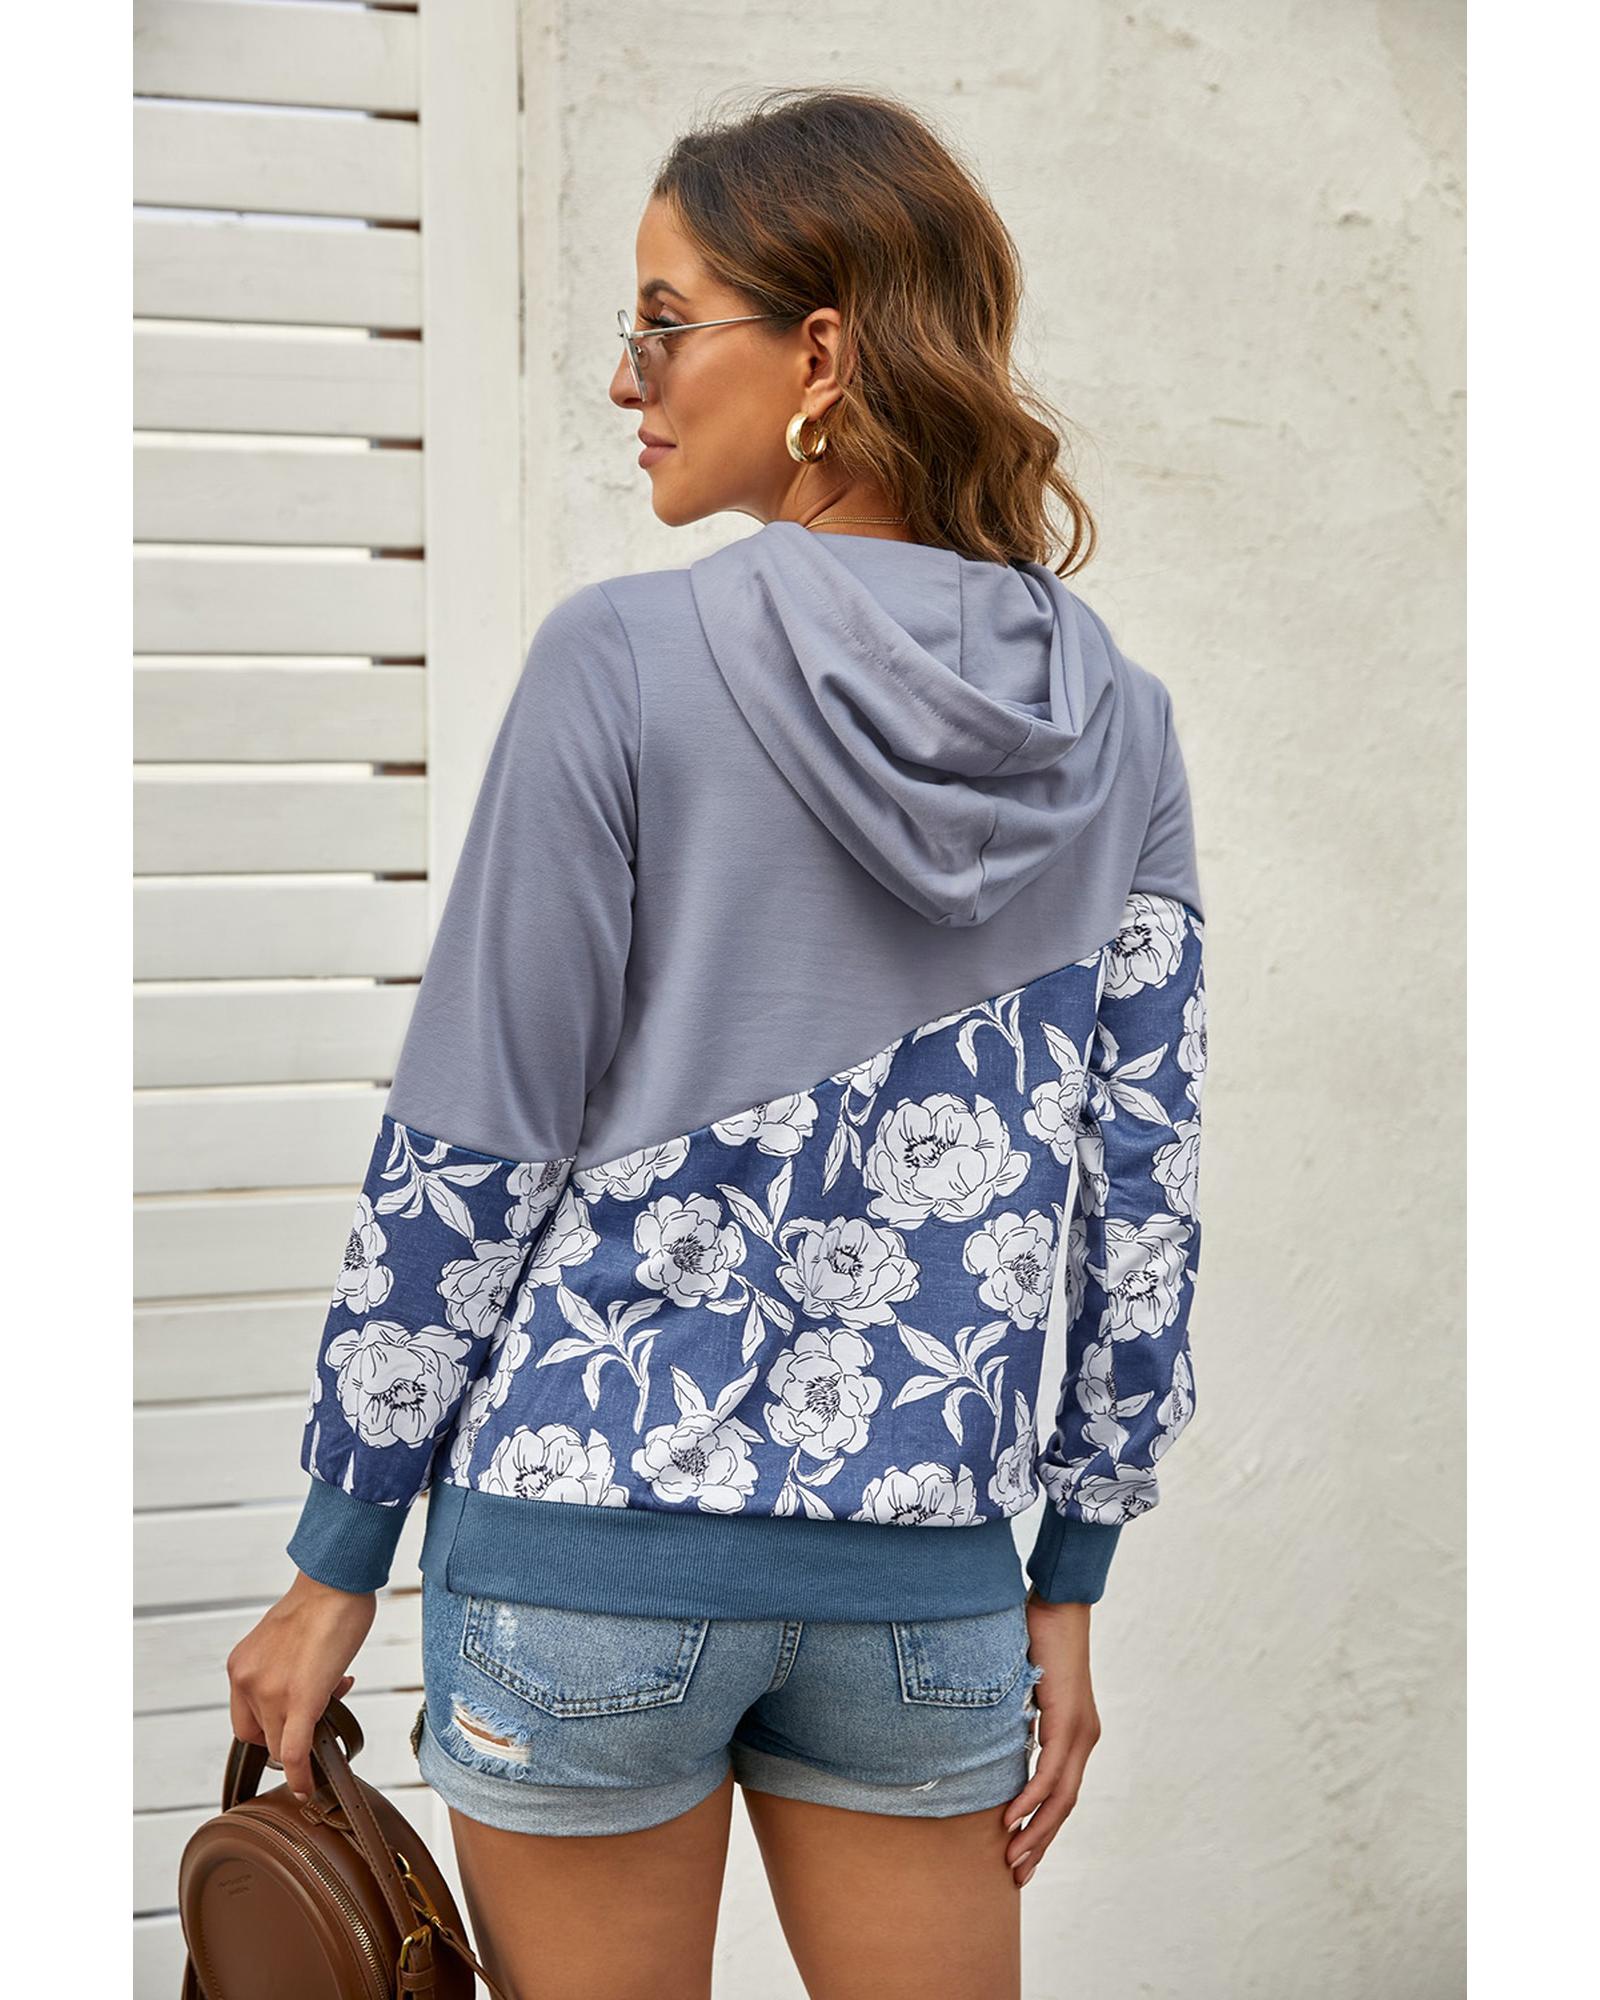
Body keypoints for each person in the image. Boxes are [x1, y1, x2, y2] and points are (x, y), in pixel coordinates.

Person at [226, 85, 1209, 2000]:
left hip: (586, 1554)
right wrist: (1070, 1580)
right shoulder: (1120, 721)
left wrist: (337, 1551)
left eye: (666, 324)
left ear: (821, 357)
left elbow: (475, 1139)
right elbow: (1143, 1195)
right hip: (925, 1583)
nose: (628, 377)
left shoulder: (620, 659)